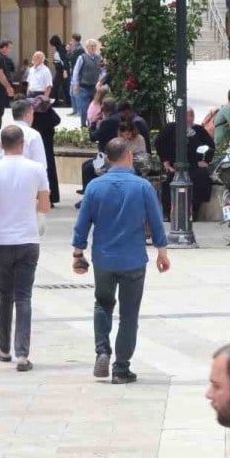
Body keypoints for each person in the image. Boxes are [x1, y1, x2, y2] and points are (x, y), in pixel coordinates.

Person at [73, 137, 171, 384]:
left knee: (102, 304)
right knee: (129, 315)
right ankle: (121, 368)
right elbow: (156, 221)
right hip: (133, 259)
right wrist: (162, 251)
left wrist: (78, 254)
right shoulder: (142, 187)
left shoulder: (94, 187)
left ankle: (102, 351)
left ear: (106, 158)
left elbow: (82, 224)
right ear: (128, 156)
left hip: (103, 259)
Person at [0, 126, 50, 372]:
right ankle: (23, 353)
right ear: (23, 143)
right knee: (24, 296)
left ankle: (4, 347)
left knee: (4, 295)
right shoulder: (37, 169)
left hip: (0, 241)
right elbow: (45, 205)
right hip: (28, 240)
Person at [155, 109, 215, 215]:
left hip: (194, 165)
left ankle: (193, 211)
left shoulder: (198, 129)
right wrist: (165, 161)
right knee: (170, 182)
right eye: (186, 116)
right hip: (175, 165)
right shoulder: (171, 128)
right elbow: (159, 144)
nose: (189, 119)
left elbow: (210, 146)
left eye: (191, 116)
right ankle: (170, 213)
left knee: (202, 178)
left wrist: (206, 160)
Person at [0, 99, 46, 167]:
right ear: (27, 115)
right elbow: (41, 164)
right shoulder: (34, 135)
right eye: (32, 114)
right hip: (26, 175)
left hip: (2, 174)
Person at [29, 96, 63, 205]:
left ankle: (38, 196)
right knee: (49, 171)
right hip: (47, 147)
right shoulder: (49, 114)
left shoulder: (34, 115)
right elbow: (57, 120)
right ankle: (51, 197)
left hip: (36, 148)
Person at [72, 38, 103, 127]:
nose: (93, 48)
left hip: (95, 88)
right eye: (91, 46)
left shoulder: (99, 58)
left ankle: (92, 125)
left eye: (94, 46)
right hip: (84, 87)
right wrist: (75, 84)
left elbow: (102, 71)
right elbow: (76, 71)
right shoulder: (82, 58)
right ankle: (83, 126)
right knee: (84, 108)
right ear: (87, 47)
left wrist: (101, 81)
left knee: (95, 108)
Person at [49, 34, 70, 106]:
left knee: (57, 86)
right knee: (63, 87)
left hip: (61, 71)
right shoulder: (61, 48)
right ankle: (66, 102)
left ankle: (56, 102)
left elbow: (64, 60)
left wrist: (65, 71)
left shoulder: (60, 49)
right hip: (60, 71)